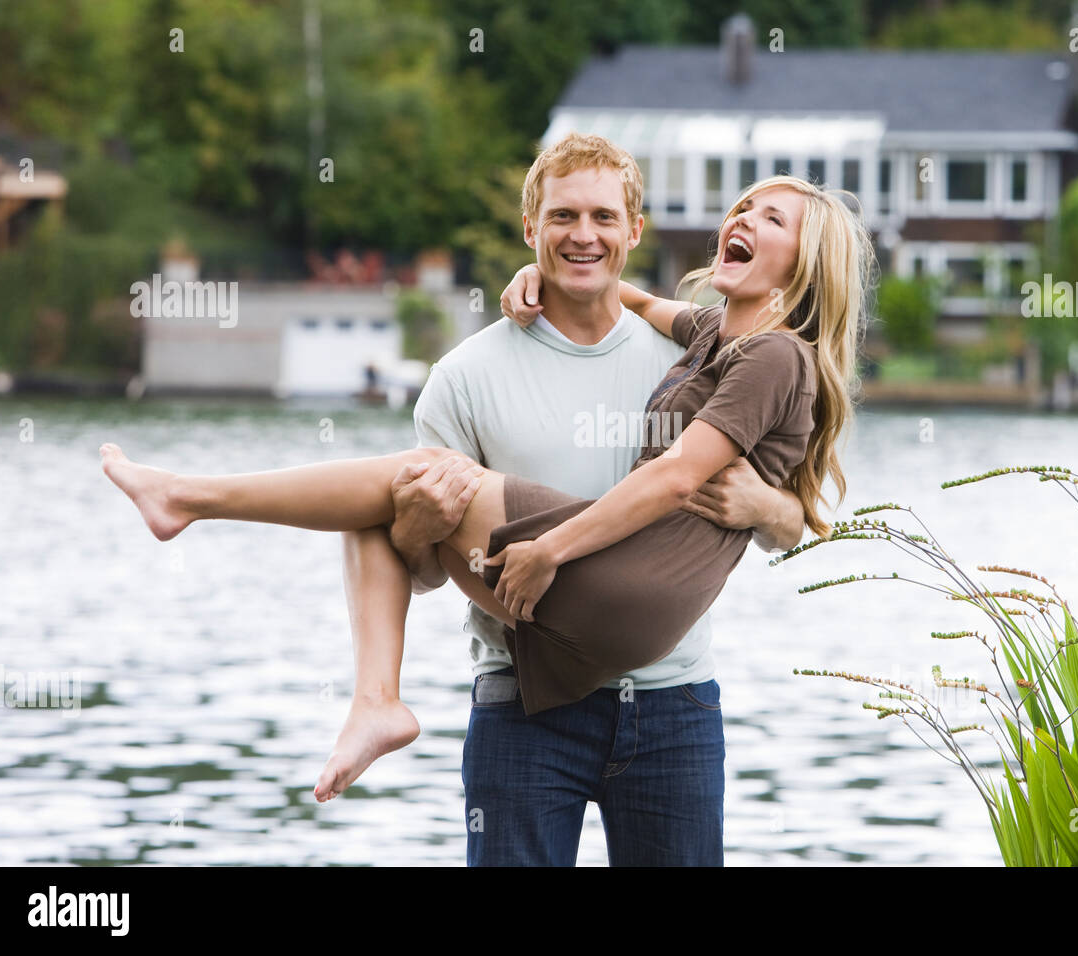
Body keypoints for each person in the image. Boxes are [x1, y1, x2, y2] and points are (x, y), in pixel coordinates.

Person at [100, 134, 873, 864]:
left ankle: (202, 509)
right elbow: (429, 568)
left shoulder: (736, 355)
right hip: (524, 700)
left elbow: (780, 512)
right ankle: (362, 687)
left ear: (635, 228)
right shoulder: (506, 368)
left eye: (604, 218)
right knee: (397, 491)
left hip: (670, 702)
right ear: (529, 227)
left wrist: (765, 509)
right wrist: (416, 528)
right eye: (564, 217)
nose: (585, 235)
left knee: (397, 476)